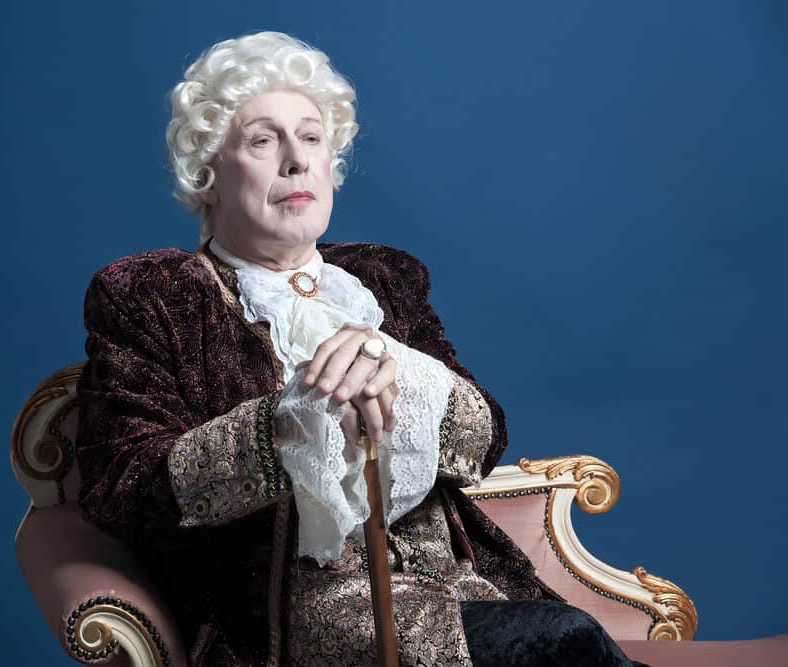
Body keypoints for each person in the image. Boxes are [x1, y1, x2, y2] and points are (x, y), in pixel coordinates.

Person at [75, 31, 648, 666]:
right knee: (564, 642)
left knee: (562, 637)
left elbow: (484, 443)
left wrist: (400, 371)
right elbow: (122, 487)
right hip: (288, 618)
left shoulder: (384, 279)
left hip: (457, 587)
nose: (296, 161)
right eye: (263, 140)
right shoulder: (153, 295)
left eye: (312, 138)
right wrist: (288, 423)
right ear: (208, 173)